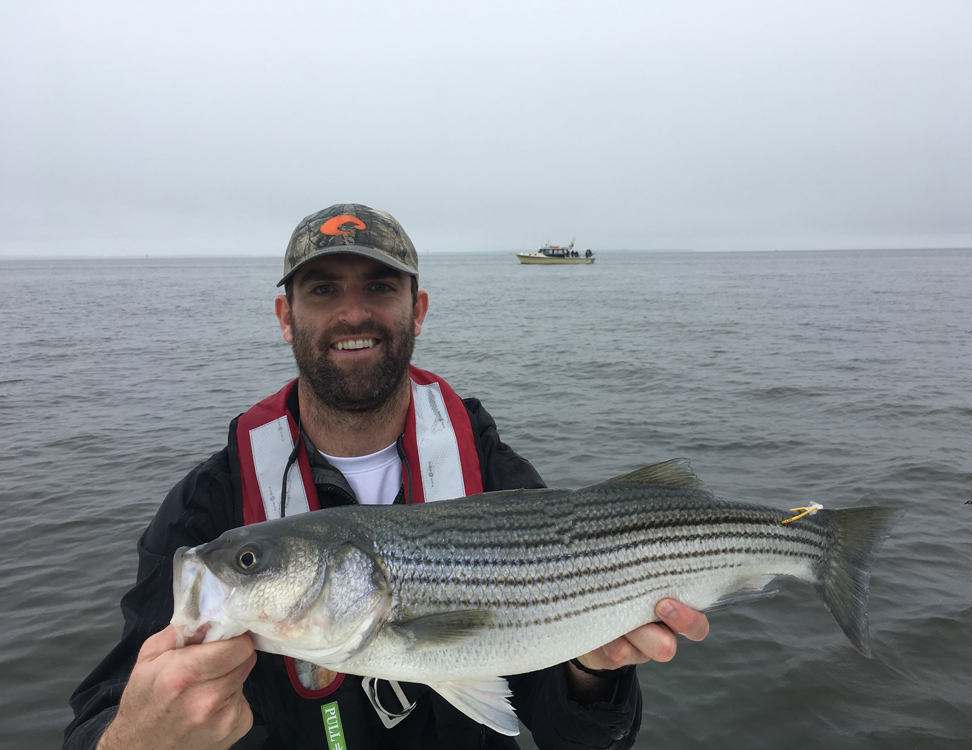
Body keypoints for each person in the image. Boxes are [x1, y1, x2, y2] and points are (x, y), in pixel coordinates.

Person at [64, 204, 709, 750]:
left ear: (417, 308)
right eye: (322, 290)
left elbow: (575, 733)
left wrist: (591, 671)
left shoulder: (490, 470)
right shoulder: (209, 506)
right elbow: (99, 712)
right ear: (285, 317)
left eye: (379, 286)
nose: (353, 314)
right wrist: (134, 737)